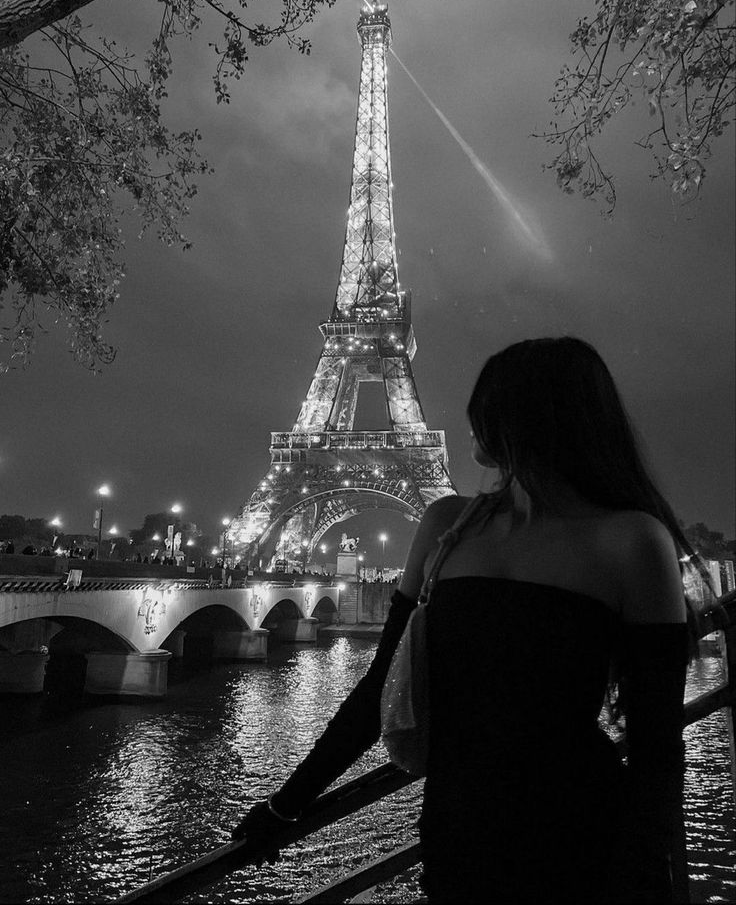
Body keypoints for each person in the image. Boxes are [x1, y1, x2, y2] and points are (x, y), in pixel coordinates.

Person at [232, 337, 705, 904]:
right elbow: (381, 686)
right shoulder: (446, 523)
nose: (469, 423)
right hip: (458, 838)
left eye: (485, 409)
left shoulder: (633, 541)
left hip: (582, 842)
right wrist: (288, 801)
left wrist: (643, 877)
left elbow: (657, 751)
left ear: (528, 419)